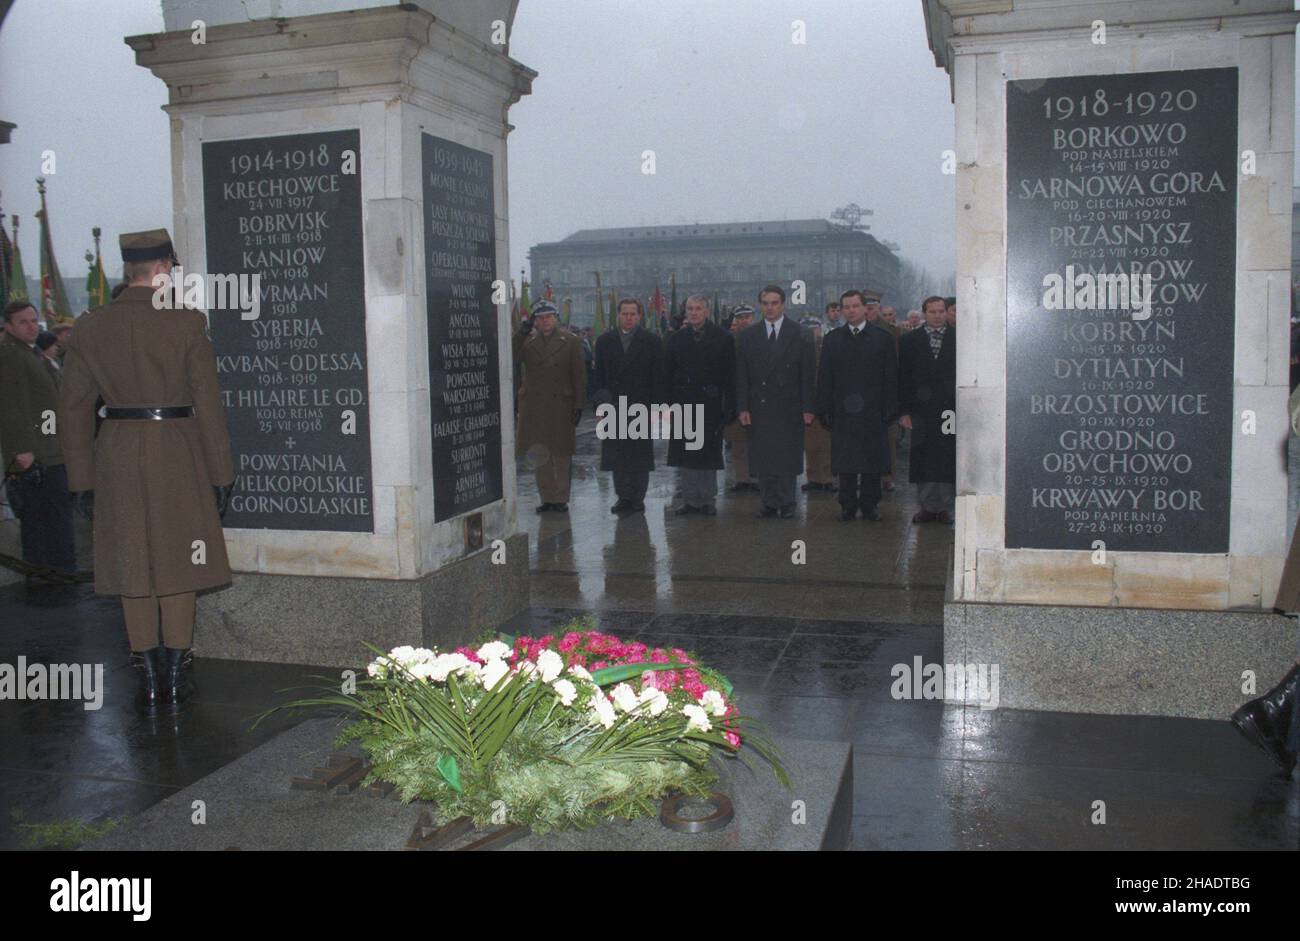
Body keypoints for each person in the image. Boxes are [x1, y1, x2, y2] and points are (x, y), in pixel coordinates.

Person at [59, 229, 235, 718]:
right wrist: (222, 473)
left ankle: (149, 677)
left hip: (115, 452)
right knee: (181, 562)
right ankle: (177, 675)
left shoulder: (91, 327)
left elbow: (73, 409)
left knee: (131, 560)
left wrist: (82, 480)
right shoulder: (185, 325)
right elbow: (208, 405)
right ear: (160, 270)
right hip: (176, 450)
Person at [0, 300, 76, 575]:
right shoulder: (10, 355)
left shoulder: (30, 353)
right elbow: (11, 406)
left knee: (55, 518)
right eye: (24, 322)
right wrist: (22, 451)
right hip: (36, 455)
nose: (32, 326)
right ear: (9, 326)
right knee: (42, 521)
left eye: (34, 320)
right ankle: (50, 577)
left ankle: (57, 573)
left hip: (50, 449)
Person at [735, 285, 816, 519]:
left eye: (774, 303)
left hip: (789, 404)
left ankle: (788, 501)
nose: (769, 308)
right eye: (765, 303)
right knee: (764, 456)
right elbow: (741, 375)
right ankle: (769, 502)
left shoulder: (801, 333)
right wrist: (742, 407)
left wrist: (808, 407)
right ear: (760, 305)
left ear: (783, 304)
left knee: (787, 456)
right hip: (759, 405)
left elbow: (807, 376)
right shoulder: (747, 335)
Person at [817, 290, 897, 521]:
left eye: (855, 306)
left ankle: (871, 504)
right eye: (846, 307)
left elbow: (890, 376)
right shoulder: (833, 339)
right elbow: (825, 378)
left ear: (865, 308)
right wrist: (824, 408)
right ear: (842, 310)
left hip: (873, 410)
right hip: (843, 411)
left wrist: (891, 407)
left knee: (872, 460)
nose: (851, 310)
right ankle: (847, 504)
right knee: (846, 460)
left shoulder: (882, 338)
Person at [592, 298, 665, 516]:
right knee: (617, 455)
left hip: (640, 404)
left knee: (639, 455)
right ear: (618, 315)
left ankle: (637, 497)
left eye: (633, 314)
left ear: (640, 316)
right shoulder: (605, 341)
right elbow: (598, 376)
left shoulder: (651, 341)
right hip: (613, 405)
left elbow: (658, 376)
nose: (629, 317)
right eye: (625, 313)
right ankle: (623, 496)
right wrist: (600, 401)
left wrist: (656, 405)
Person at [513, 300, 586, 513]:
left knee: (561, 453)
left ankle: (560, 498)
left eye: (549, 317)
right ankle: (547, 498)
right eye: (541, 318)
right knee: (540, 453)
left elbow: (579, 376)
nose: (545, 321)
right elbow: (512, 355)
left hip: (561, 403)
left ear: (555, 318)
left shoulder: (571, 341)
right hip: (535, 405)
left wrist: (579, 404)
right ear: (536, 321)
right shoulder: (528, 342)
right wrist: (522, 331)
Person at [664, 294, 734, 516]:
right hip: (684, 403)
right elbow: (667, 375)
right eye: (690, 309)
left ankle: (707, 499)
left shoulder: (723, 338)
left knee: (708, 454)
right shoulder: (675, 339)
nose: (693, 313)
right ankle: (690, 499)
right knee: (686, 455)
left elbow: (730, 375)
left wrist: (727, 403)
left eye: (698, 309)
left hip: (711, 405)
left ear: (706, 312)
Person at [897, 295, 956, 524]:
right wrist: (904, 411)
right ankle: (926, 506)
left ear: (946, 312)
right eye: (932, 312)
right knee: (923, 456)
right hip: (920, 409)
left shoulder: (959, 338)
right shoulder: (910, 340)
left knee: (946, 454)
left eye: (941, 311)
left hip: (949, 409)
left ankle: (943, 507)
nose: (937, 315)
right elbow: (903, 377)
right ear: (924, 314)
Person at [723, 303, 759, 492]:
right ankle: (742, 478)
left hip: (759, 396)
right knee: (738, 442)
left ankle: (756, 477)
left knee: (758, 441)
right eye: (740, 317)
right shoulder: (729, 340)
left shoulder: (763, 336)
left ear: (753, 317)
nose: (744, 320)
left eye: (747, 316)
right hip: (736, 395)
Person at [800, 316, 835, 493]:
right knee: (810, 444)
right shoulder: (797, 347)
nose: (811, 332)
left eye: (813, 328)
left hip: (824, 401)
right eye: (807, 329)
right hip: (805, 401)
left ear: (819, 329)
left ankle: (828, 478)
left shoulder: (828, 345)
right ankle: (813, 477)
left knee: (827, 444)